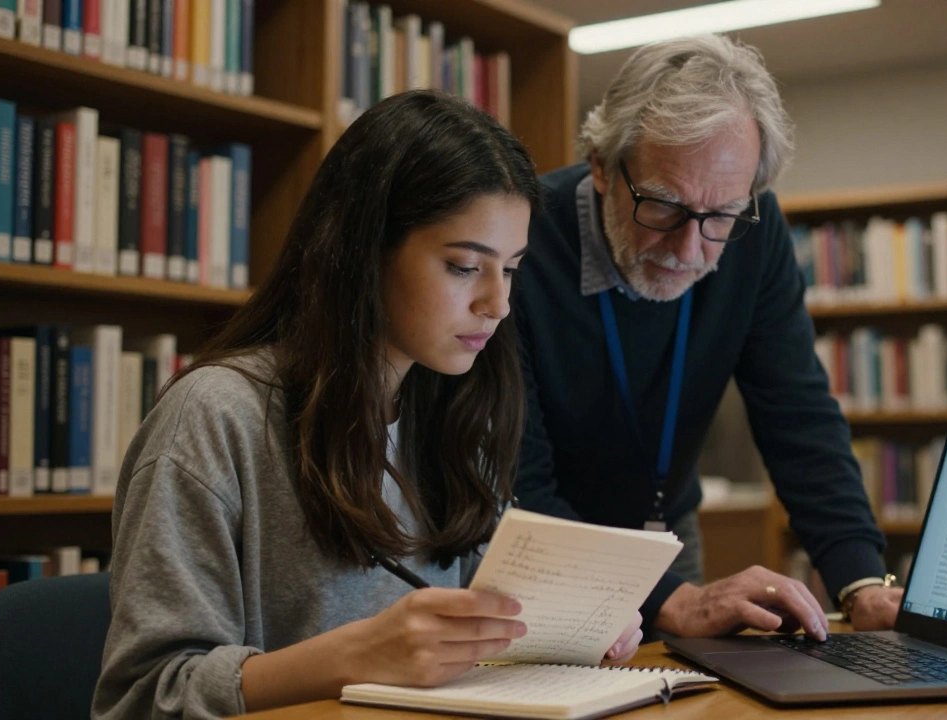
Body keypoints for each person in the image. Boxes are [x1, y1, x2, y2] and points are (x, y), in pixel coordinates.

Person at [92, 91, 641, 720]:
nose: (498, 303)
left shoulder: (456, 408)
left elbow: (492, 626)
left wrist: (576, 625)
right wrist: (355, 655)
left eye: (511, 269)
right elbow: (142, 699)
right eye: (465, 266)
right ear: (362, 250)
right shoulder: (216, 417)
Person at [513, 34, 902, 640]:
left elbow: (797, 414)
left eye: (721, 215)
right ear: (599, 164)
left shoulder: (757, 231)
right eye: (664, 206)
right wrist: (672, 600)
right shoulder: (521, 241)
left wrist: (860, 581)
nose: (690, 250)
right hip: (539, 546)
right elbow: (517, 479)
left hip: (665, 533)